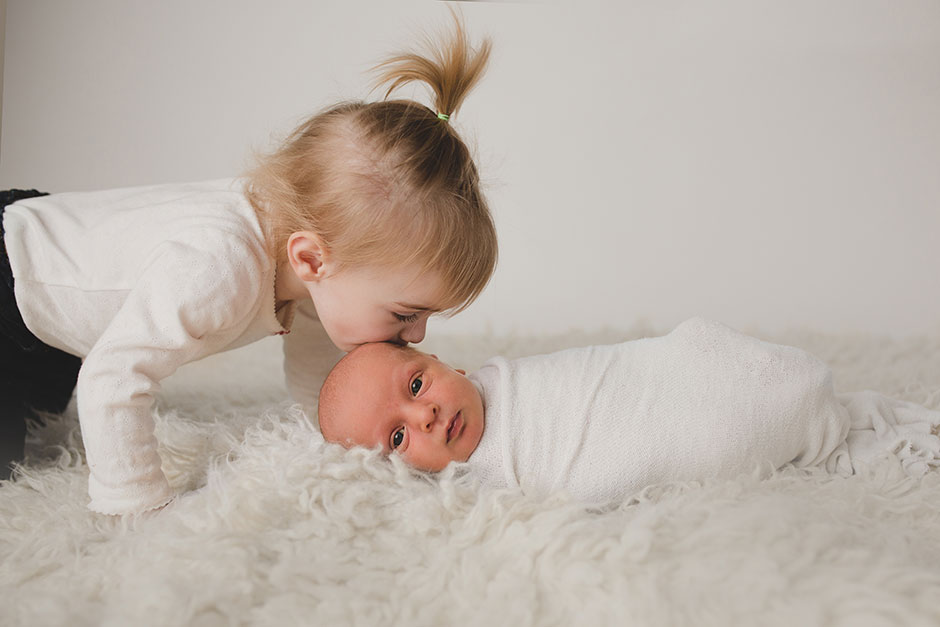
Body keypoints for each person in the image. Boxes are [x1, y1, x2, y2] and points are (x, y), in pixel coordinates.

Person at [0, 13, 497, 515]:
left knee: (23, 431)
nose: (415, 337)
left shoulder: (314, 273)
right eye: (406, 313)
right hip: (14, 278)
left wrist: (341, 445)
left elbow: (319, 378)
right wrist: (136, 505)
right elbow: (112, 375)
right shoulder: (218, 269)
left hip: (50, 328)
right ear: (311, 258)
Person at [318, 317, 940, 506]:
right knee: (719, 440)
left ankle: (816, 416)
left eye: (418, 384)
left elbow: (616, 372)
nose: (424, 417)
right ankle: (818, 427)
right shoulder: (473, 487)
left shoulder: (507, 379)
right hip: (663, 440)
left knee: (721, 386)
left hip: (669, 376)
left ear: (444, 362)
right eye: (397, 436)